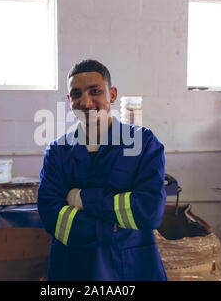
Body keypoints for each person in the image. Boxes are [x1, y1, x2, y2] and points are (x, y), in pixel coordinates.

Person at [37, 59, 167, 281]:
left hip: (131, 269)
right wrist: (114, 226)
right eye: (76, 94)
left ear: (112, 95)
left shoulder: (143, 143)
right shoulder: (58, 152)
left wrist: (81, 199)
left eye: (95, 91)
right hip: (73, 268)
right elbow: (51, 216)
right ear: (69, 101)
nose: (86, 102)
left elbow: (149, 211)